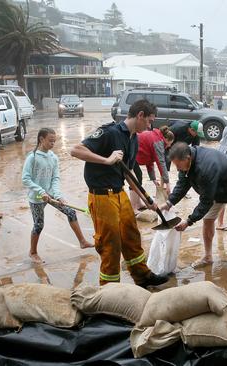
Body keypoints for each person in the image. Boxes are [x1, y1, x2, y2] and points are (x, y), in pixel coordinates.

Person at [70, 99, 168, 288]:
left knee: (131, 235)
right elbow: (75, 150)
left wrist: (145, 199)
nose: (150, 126)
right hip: (101, 196)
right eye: (149, 121)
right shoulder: (110, 133)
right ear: (140, 115)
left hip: (119, 192)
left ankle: (142, 276)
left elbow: (128, 174)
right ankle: (109, 289)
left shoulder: (134, 139)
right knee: (110, 244)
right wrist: (107, 160)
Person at [161, 142, 227, 282]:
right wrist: (169, 203)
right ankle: (208, 256)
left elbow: (206, 201)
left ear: (187, 158)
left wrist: (189, 221)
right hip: (217, 190)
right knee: (208, 220)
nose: (178, 168)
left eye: (178, 165)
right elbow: (183, 184)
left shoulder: (206, 167)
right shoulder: (186, 164)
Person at [22, 128, 94, 264]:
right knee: (38, 225)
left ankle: (83, 242)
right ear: (41, 139)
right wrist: (40, 191)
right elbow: (25, 179)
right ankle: (33, 252)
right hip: (37, 197)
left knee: (71, 212)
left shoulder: (53, 157)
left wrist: (58, 195)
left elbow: (55, 178)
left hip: (51, 194)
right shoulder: (32, 157)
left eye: (54, 141)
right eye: (50, 141)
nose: (52, 144)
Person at [129, 125, 175, 212]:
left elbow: (149, 161)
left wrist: (153, 179)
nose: (169, 146)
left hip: (134, 155)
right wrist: (167, 183)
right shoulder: (158, 142)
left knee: (139, 177)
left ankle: (138, 203)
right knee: (136, 179)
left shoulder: (157, 138)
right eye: (170, 143)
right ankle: (133, 207)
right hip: (131, 154)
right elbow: (161, 163)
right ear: (166, 139)